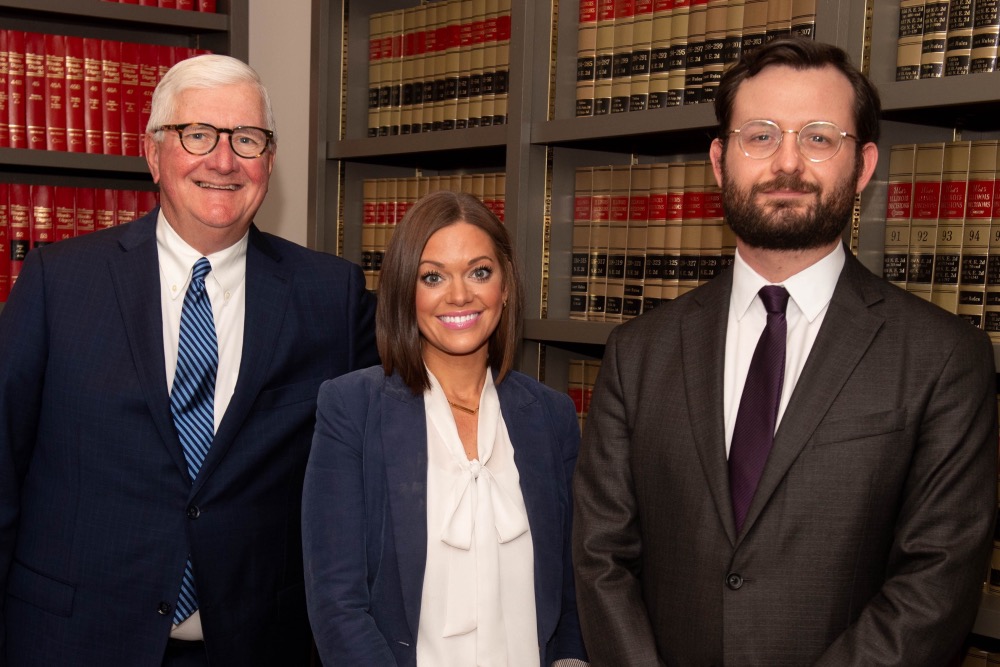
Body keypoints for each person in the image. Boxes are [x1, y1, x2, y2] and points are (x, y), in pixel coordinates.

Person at [572, 36, 998, 666]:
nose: (788, 163)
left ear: (865, 165)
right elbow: (601, 556)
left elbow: (935, 582)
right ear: (720, 161)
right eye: (761, 135)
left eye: (820, 137)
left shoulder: (943, 357)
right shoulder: (639, 353)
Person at [0, 54, 378, 666]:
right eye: (197, 134)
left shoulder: (329, 296)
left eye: (246, 139)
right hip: (73, 642)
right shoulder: (58, 283)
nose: (223, 160)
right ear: (154, 153)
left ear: (270, 161)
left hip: (258, 646)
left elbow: (370, 474)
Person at [302, 190, 588, 667]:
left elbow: (575, 586)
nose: (460, 295)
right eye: (432, 276)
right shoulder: (352, 409)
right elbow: (337, 606)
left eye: (480, 272)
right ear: (404, 291)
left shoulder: (552, 417)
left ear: (506, 286)